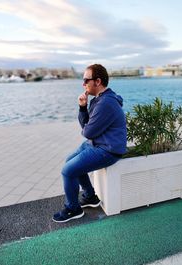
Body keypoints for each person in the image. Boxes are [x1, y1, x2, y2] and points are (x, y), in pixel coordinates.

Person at [53, 64, 127, 223]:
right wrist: (82, 107)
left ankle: (73, 209)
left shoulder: (106, 103)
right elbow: (87, 126)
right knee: (69, 162)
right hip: (96, 143)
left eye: (86, 80)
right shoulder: (98, 100)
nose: (83, 84)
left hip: (108, 149)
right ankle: (90, 197)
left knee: (68, 171)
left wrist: (86, 121)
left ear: (98, 81)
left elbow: (87, 132)